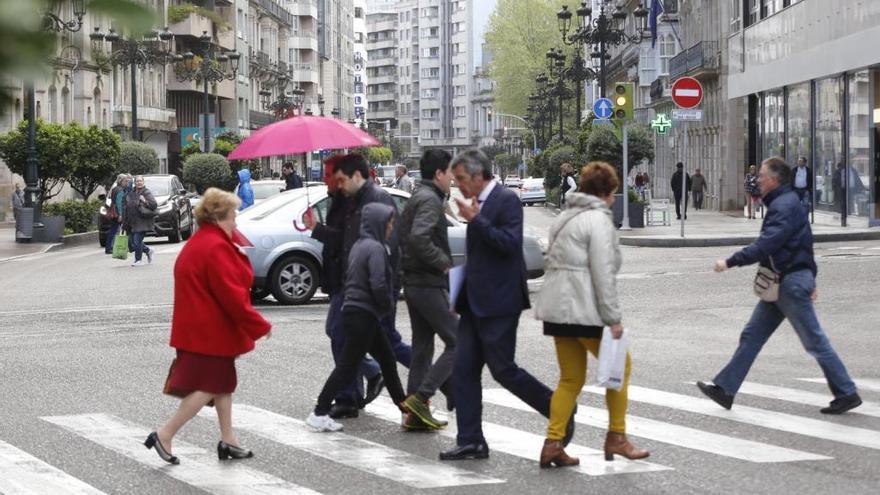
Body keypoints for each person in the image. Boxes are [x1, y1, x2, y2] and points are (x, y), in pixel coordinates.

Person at [439, 149, 574, 461]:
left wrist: (478, 221)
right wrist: (457, 293)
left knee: (503, 370)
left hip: (500, 301)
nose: (458, 185)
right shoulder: (478, 204)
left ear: (477, 176)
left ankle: (560, 408)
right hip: (474, 303)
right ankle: (471, 440)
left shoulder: (506, 199)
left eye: (461, 179)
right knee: (463, 370)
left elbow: (509, 245)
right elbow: (478, 258)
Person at [698, 157, 862, 415]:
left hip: (789, 283)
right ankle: (725, 389)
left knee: (814, 340)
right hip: (782, 282)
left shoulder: (783, 207)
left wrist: (730, 261)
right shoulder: (785, 203)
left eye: (762, 175)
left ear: (774, 179)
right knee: (752, 335)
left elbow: (768, 244)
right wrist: (811, 276)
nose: (758, 180)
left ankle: (846, 391)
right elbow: (804, 244)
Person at [534, 161, 649, 468]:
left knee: (570, 378)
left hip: (556, 308)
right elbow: (603, 271)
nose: (613, 198)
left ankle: (553, 442)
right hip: (583, 308)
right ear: (604, 191)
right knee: (620, 367)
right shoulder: (598, 220)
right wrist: (613, 318)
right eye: (612, 192)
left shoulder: (564, 218)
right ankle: (617, 436)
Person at [146, 188, 272, 465]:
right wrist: (259, 325)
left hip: (202, 329)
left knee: (222, 384)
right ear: (218, 218)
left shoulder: (203, 242)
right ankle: (165, 433)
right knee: (209, 386)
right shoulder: (215, 247)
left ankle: (228, 440)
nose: (236, 222)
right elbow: (231, 295)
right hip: (210, 332)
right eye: (232, 216)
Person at [307, 203, 409, 432]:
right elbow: (378, 283)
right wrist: (386, 304)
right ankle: (319, 412)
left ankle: (405, 409)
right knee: (347, 365)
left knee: (387, 361)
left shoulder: (360, 245)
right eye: (389, 222)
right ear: (378, 223)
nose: (391, 227)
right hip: (363, 314)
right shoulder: (375, 248)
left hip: (360, 313)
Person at [306, 155, 384, 420]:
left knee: (342, 335)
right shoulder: (340, 201)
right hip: (341, 278)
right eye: (328, 174)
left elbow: (347, 241)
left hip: (351, 280)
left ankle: (348, 397)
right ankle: (372, 374)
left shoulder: (355, 201)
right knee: (342, 334)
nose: (327, 179)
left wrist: (318, 229)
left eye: (331, 175)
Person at [399, 149, 457, 431]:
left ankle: (414, 416)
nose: (452, 179)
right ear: (438, 174)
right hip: (427, 282)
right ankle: (422, 399)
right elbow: (418, 238)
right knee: (459, 341)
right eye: (450, 173)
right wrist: (443, 263)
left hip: (414, 281)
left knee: (422, 348)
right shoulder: (430, 200)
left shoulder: (419, 196)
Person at [124, 175, 156, 267]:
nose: (139, 182)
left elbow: (154, 205)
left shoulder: (146, 192)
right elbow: (127, 206)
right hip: (132, 221)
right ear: (135, 182)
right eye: (137, 181)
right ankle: (148, 251)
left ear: (143, 182)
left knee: (137, 240)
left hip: (142, 221)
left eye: (140, 181)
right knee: (132, 242)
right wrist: (125, 220)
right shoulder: (132, 192)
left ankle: (138, 260)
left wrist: (145, 200)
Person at [104, 175, 129, 255]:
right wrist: (121, 215)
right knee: (114, 230)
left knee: (113, 230)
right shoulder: (120, 190)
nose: (126, 183)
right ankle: (109, 248)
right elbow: (119, 203)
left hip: (113, 211)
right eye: (125, 181)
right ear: (121, 181)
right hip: (117, 213)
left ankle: (110, 247)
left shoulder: (114, 189)